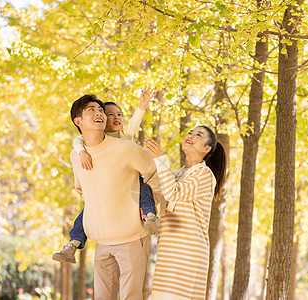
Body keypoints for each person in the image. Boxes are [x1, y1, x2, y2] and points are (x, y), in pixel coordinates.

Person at [62, 94, 160, 299]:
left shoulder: (127, 148)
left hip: (132, 238)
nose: (99, 113)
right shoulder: (75, 155)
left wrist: (147, 209)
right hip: (101, 242)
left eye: (100, 110)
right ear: (77, 121)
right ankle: (74, 242)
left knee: (130, 297)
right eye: (92, 110)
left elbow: (155, 175)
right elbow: (83, 189)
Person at [144, 125, 227, 300]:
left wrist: (161, 159)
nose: (191, 136)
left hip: (189, 254)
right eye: (190, 133)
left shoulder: (204, 174)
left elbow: (174, 193)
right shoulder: (176, 173)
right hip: (167, 252)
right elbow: (153, 193)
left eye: (199, 135)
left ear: (207, 148)